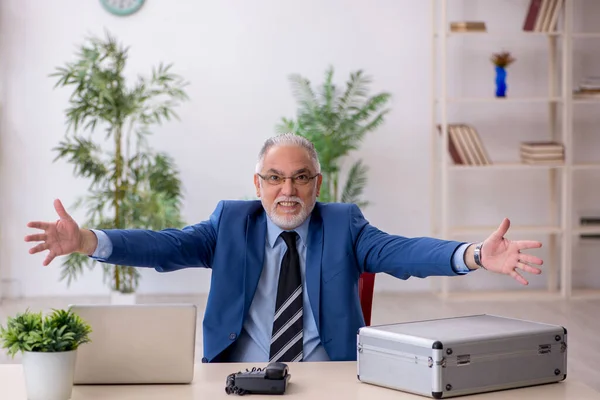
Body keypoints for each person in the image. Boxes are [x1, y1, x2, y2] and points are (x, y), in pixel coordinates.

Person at [25, 133, 543, 363]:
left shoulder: (344, 225)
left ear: (317, 183)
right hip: (236, 375)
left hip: (327, 377)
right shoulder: (232, 221)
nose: (287, 191)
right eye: (275, 178)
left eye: (299, 179)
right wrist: (88, 240)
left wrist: (474, 253)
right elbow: (167, 246)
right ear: (258, 183)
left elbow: (403, 252)